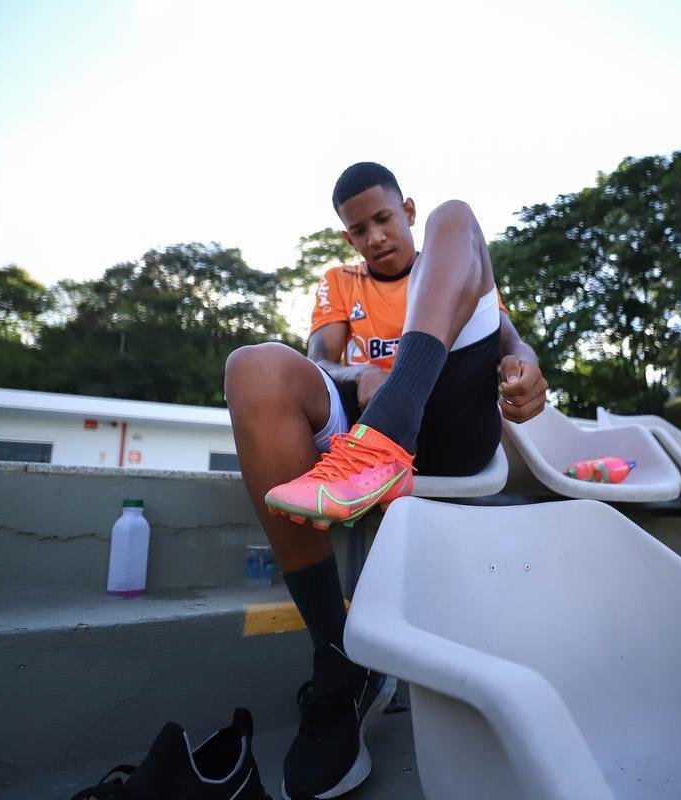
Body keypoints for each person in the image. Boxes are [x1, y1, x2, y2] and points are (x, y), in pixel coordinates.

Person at [224, 162, 546, 799]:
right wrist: (358, 378)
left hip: (447, 427)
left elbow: (515, 342)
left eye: (383, 219)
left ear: (406, 210)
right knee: (251, 366)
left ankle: (396, 423)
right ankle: (338, 663)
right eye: (358, 229)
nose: (374, 236)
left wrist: (527, 369)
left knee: (461, 213)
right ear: (347, 239)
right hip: (360, 433)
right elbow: (321, 360)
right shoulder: (342, 284)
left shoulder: (448, 254)